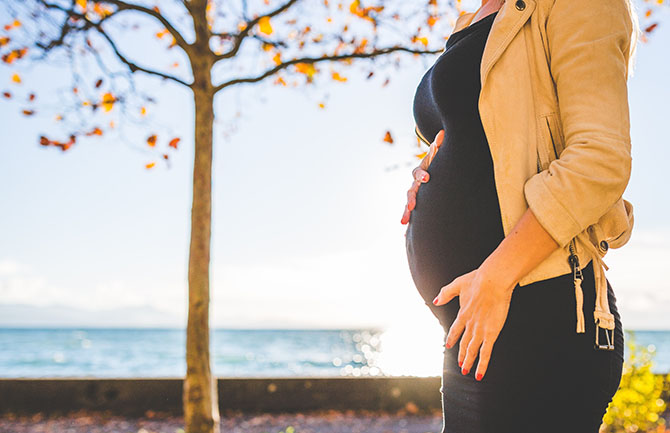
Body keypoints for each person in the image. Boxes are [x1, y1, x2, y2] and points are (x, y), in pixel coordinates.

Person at [400, 0, 640, 431]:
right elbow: (482, 136)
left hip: (537, 312)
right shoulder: (474, 18)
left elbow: (600, 160)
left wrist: (496, 276)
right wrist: (427, 169)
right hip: (475, 321)